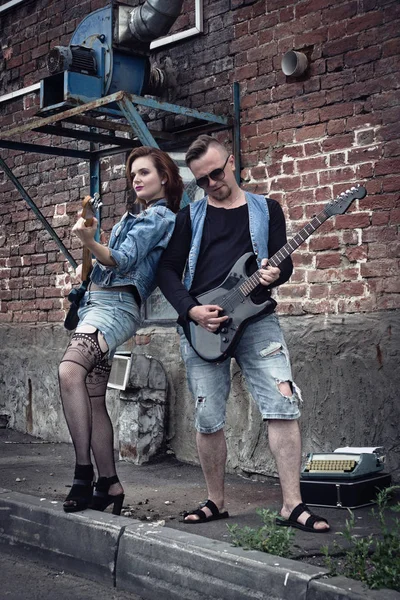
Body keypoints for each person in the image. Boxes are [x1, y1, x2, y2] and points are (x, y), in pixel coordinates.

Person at [157, 135, 330, 532]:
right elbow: (166, 271)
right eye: (201, 180)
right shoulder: (190, 217)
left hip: (257, 321)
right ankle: (215, 502)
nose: (211, 183)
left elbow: (279, 265)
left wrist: (275, 273)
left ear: (231, 163)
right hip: (204, 326)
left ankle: (292, 505)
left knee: (282, 405)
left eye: (216, 173)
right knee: (208, 416)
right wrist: (192, 310)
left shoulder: (266, 209)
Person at [58, 146, 183, 514]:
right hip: (95, 306)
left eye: (144, 172)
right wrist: (94, 245)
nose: (137, 179)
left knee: (69, 371)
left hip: (115, 309)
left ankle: (83, 474)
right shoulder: (139, 217)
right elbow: (107, 263)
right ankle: (109, 483)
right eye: (133, 175)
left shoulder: (159, 218)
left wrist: (89, 242)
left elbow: (121, 259)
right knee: (94, 398)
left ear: (165, 177)